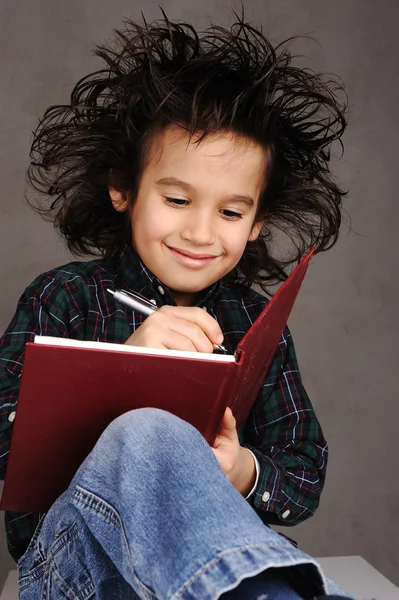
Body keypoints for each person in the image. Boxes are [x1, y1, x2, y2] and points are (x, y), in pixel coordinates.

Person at [0, 12, 352, 600]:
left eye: (231, 212)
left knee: (230, 517)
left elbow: (304, 472)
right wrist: (121, 369)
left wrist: (242, 472)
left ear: (257, 222)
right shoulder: (62, 298)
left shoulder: (254, 325)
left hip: (204, 559)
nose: (200, 231)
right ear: (124, 189)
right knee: (148, 430)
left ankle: (265, 590)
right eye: (177, 198)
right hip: (77, 566)